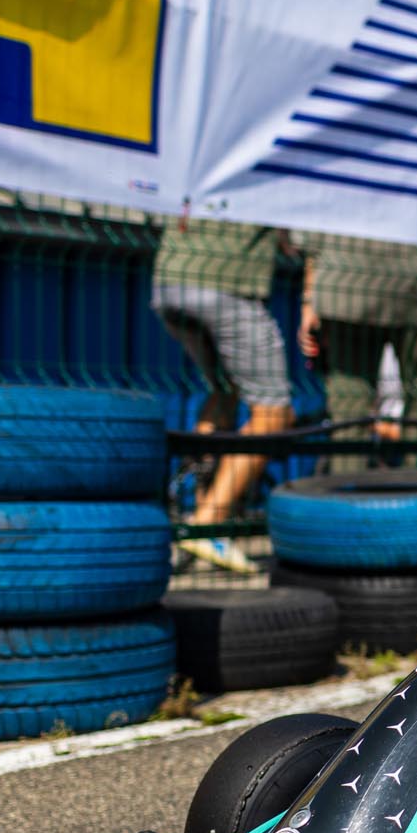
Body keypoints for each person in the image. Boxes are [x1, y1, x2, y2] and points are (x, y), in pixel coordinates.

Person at [150, 214, 295, 574]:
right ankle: (206, 525)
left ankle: (199, 507)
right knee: (274, 414)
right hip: (227, 284)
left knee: (225, 392)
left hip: (169, 283)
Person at [298, 235, 417, 473]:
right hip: (415, 289)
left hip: (345, 288)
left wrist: (309, 300)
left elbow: (316, 230)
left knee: (348, 414)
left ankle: (347, 488)